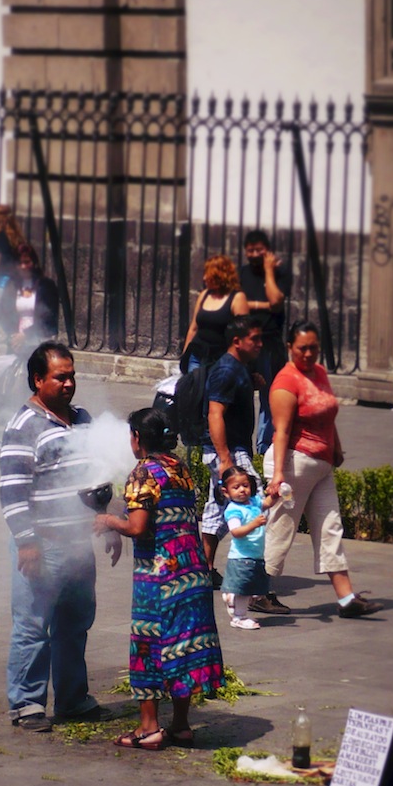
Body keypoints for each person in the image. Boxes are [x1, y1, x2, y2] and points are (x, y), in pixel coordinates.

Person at [0, 342, 122, 732]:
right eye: (60, 376)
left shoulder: (82, 419)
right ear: (38, 380)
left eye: (72, 375)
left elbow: (98, 477)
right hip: (44, 543)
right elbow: (12, 491)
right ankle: (27, 705)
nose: (69, 383)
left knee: (74, 624)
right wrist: (27, 542)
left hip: (78, 546)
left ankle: (72, 700)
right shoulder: (24, 426)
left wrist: (111, 520)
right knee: (33, 626)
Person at [94, 408, 223, 750]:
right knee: (183, 647)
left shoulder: (143, 472)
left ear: (137, 438)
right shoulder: (179, 468)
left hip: (160, 576)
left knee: (148, 646)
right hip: (192, 571)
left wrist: (108, 521)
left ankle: (149, 729)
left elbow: (138, 528)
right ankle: (181, 725)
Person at [263, 320, 385, 619]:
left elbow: (328, 415)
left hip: (320, 466)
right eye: (302, 348)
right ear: (290, 348)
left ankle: (346, 598)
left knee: (331, 527)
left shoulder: (318, 373)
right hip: (292, 463)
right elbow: (281, 432)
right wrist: (278, 475)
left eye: (313, 348)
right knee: (280, 529)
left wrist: (337, 448)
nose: (308, 353)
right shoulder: (285, 382)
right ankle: (258, 593)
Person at [201, 315, 290, 614]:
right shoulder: (226, 370)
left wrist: (250, 380)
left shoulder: (237, 368)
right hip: (230, 452)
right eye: (255, 339)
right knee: (256, 501)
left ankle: (205, 569)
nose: (260, 344)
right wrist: (226, 458)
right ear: (237, 341)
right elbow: (215, 414)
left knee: (216, 511)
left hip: (230, 450)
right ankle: (255, 592)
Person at [239, 230, 292, 455]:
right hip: (245, 343)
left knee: (270, 397)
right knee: (242, 397)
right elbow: (237, 302)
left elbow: (277, 302)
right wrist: (262, 306)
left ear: (268, 250)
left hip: (270, 343)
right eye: (250, 250)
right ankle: (244, 448)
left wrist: (269, 271)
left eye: (259, 250)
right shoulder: (241, 273)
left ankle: (263, 449)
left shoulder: (280, 273)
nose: (254, 254)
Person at [219, 466, 279, 630]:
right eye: (236, 487)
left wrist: (274, 496)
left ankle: (231, 596)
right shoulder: (233, 510)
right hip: (241, 557)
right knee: (245, 590)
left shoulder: (253, 502)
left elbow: (266, 503)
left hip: (256, 556)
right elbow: (236, 532)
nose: (242, 490)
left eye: (245, 485)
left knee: (254, 589)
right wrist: (254, 524)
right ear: (226, 492)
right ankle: (239, 617)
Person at [181, 255, 249, 373]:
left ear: (220, 276)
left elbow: (244, 334)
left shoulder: (237, 298)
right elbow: (193, 328)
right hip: (197, 355)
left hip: (220, 358)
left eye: (208, 274)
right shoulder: (204, 294)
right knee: (194, 389)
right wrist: (185, 355)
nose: (204, 278)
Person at [0, 243, 59, 354]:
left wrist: (26, 334)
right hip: (16, 343)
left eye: (26, 262)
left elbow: (49, 317)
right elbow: (3, 313)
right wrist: (14, 336)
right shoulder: (11, 286)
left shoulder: (46, 285)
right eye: (19, 263)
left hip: (39, 341)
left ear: (34, 262)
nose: (23, 266)